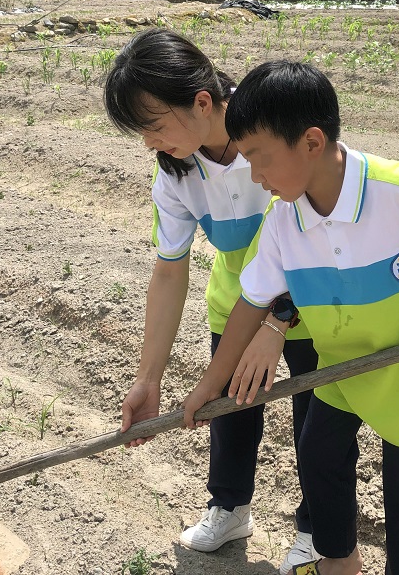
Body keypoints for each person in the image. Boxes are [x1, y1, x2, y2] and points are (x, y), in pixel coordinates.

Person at [182, 61, 399, 575]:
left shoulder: (398, 191)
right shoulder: (284, 221)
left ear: (311, 141)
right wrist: (210, 385)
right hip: (345, 367)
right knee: (318, 454)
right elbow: (250, 303)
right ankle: (339, 562)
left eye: (258, 158)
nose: (254, 175)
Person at [104, 30, 320, 574]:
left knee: (319, 422)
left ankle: (318, 526)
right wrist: (148, 378)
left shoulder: (271, 127)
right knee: (229, 411)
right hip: (235, 305)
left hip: (314, 304)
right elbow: (169, 271)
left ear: (202, 102)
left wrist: (278, 323)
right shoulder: (176, 170)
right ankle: (229, 508)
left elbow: (313, 229)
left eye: (154, 127)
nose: (150, 144)